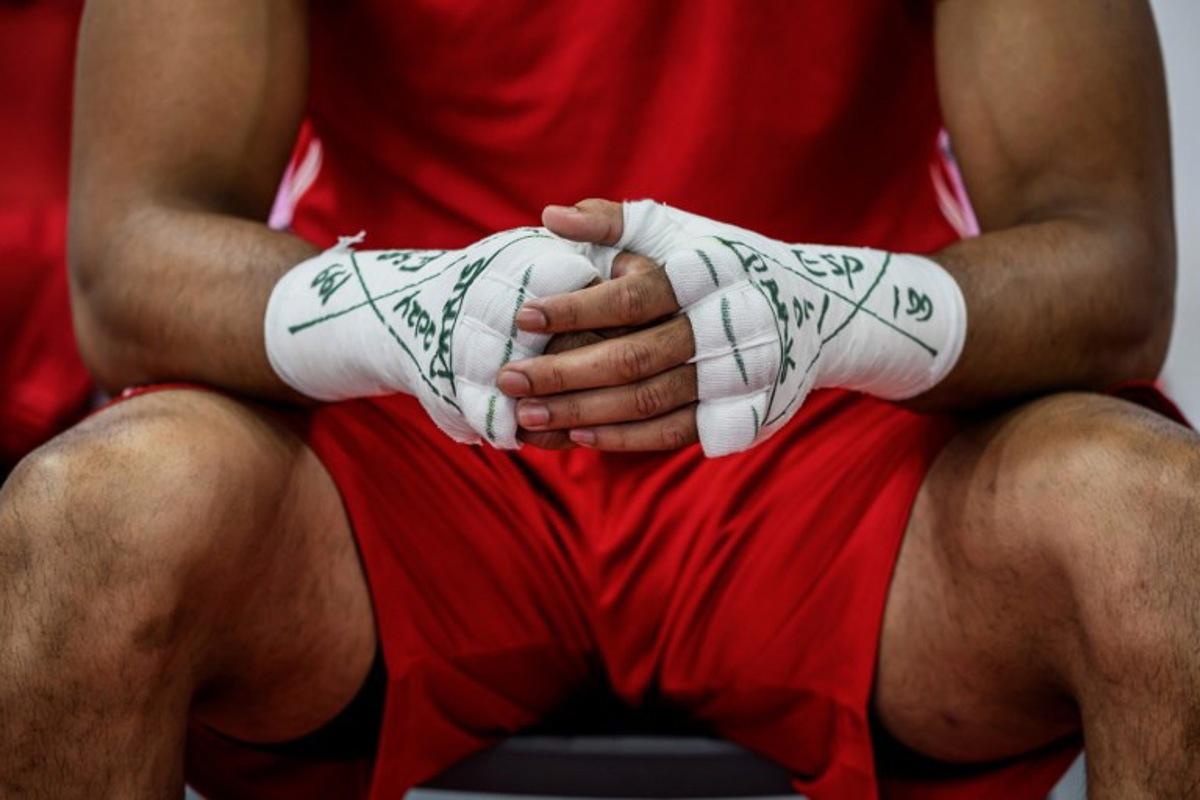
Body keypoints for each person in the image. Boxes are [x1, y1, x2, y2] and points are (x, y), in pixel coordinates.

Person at [0, 1, 1195, 798]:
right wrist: (402, 305)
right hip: (407, 444)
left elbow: (1110, 254)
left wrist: (835, 304)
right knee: (92, 522)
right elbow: (130, 257)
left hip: (837, 438)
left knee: (1159, 529)